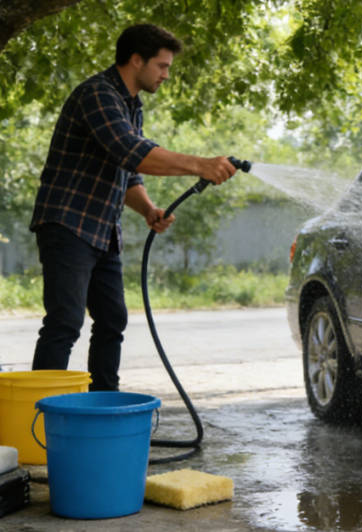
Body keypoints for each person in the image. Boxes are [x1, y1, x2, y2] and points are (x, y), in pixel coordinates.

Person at [29, 23, 238, 391]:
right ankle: (39, 421)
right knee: (65, 321)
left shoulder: (131, 106)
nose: (166, 75)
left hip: (102, 230)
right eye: (162, 66)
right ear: (136, 60)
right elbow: (131, 151)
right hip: (67, 224)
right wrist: (201, 164)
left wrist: (148, 210)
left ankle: (103, 408)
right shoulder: (97, 94)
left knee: (112, 320)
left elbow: (127, 172)